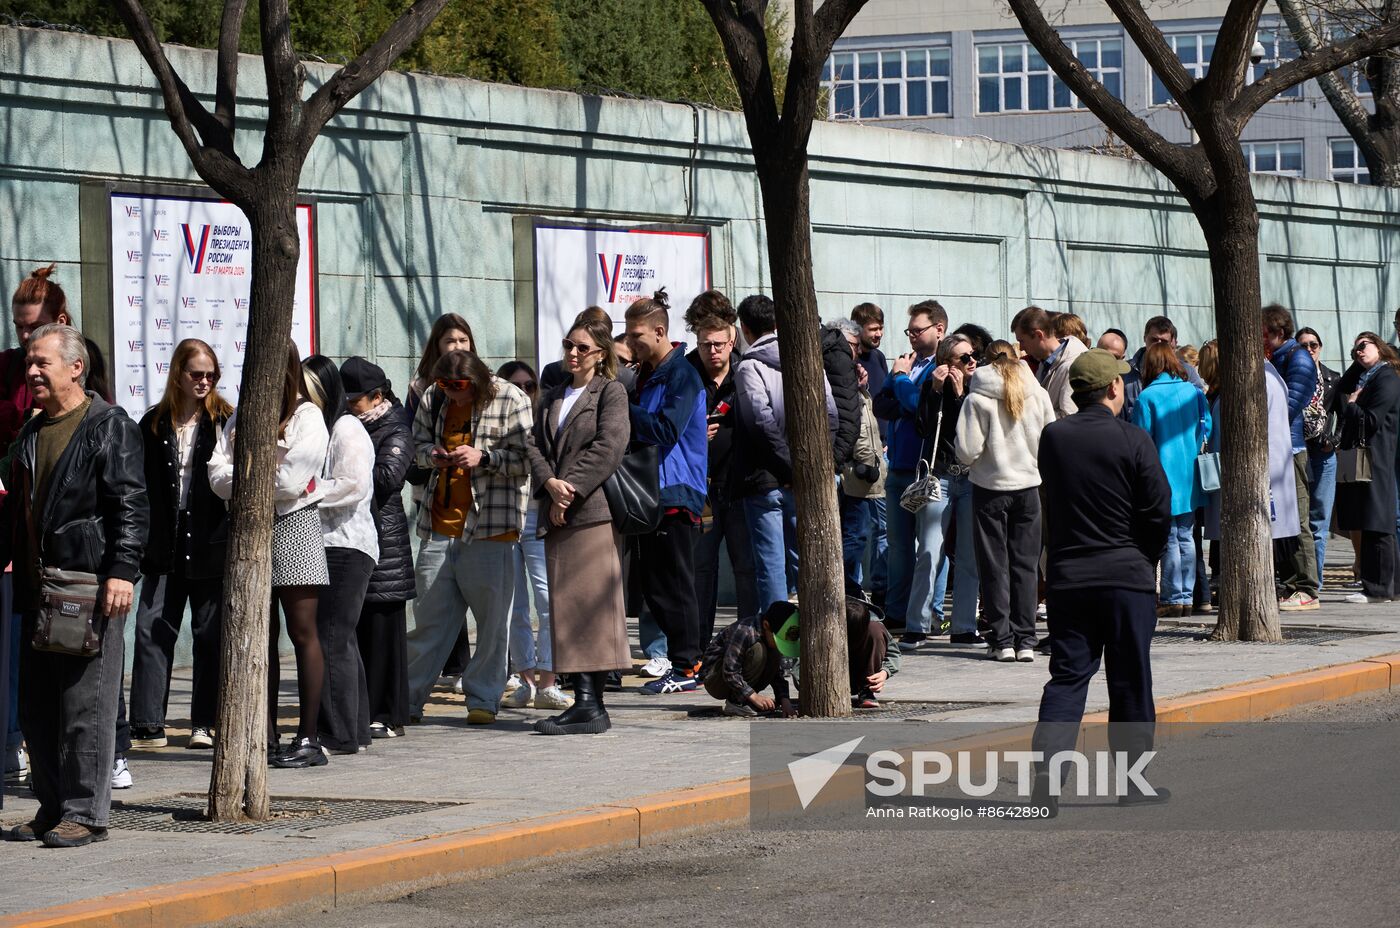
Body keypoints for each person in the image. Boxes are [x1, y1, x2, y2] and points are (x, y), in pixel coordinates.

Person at [0, 324, 146, 847]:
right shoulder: (32, 432)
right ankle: (51, 806)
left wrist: (122, 573)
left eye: (42, 362)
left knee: (86, 705)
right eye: (28, 362)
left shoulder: (109, 425)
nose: (31, 371)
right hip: (37, 588)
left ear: (75, 367)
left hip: (90, 586)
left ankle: (85, 814)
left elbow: (130, 505)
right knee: (37, 707)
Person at [1031, 349, 1173, 815]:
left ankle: (1047, 787)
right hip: (1125, 575)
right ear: (1114, 388)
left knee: (1068, 679)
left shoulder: (1054, 437)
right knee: (1130, 680)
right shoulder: (1133, 438)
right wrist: (1143, 557)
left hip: (1070, 576)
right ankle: (1133, 784)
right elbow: (1157, 508)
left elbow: (1052, 502)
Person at [208, 341, 331, 768]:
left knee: (302, 632)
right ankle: (265, 733)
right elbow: (215, 473)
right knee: (259, 634)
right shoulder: (242, 413)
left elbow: (293, 480)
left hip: (295, 526)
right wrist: (260, 470)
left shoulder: (307, 415)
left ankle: (309, 738)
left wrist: (246, 474)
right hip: (250, 528)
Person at [405, 350, 531, 724]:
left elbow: (527, 458)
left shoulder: (511, 398)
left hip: (493, 528)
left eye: (460, 387)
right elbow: (417, 446)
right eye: (446, 385)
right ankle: (407, 699)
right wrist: (434, 456)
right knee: (428, 620)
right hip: (440, 525)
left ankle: (483, 698)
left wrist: (485, 458)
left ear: (477, 381)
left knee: (492, 624)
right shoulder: (434, 397)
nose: (453, 394)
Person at [527, 317, 630, 734]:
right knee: (567, 609)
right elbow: (532, 445)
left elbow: (610, 446)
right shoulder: (551, 395)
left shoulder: (611, 392)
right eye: (569, 345)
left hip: (590, 513)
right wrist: (548, 484)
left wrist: (567, 490)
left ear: (601, 354)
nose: (572, 353)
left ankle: (591, 703)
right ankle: (587, 703)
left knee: (591, 609)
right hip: (557, 513)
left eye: (582, 347)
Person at [129, 339, 232, 751]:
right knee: (151, 630)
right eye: (196, 374)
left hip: (210, 542)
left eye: (211, 374)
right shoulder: (153, 423)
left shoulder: (225, 419)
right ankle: (147, 725)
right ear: (178, 374)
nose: (205, 381)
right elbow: (138, 485)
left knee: (210, 634)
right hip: (163, 544)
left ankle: (204, 723)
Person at [2, 265, 80, 784]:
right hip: (9, 524)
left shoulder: (78, 370)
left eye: (34, 327)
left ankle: (90, 754)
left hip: (60, 531)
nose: (25, 339)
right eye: (18, 328)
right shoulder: (5, 370)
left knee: (69, 647)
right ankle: (16, 741)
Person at [732, 295, 837, 626]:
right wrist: (810, 468)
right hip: (804, 478)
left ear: (745, 329)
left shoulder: (748, 366)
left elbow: (758, 421)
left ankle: (780, 642)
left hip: (767, 481)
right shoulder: (807, 360)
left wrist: (788, 468)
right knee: (804, 561)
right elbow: (830, 416)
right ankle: (812, 631)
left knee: (771, 567)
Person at [625, 290, 709, 695]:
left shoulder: (683, 374)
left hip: (677, 492)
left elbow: (664, 430)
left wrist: (622, 405)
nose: (630, 343)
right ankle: (681, 663)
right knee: (653, 588)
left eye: (637, 335)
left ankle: (688, 665)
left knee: (675, 585)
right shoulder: (645, 374)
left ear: (660, 332)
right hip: (649, 494)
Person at [954, 352, 1055, 662]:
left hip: (990, 488)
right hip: (1028, 488)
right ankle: (1026, 639)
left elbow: (967, 450)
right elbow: (1050, 438)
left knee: (994, 565)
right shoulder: (1037, 393)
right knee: (1026, 566)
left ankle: (1002, 640)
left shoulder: (977, 398)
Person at [302, 355, 378, 756]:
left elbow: (353, 484)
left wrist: (305, 491)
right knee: (340, 639)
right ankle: (355, 730)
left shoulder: (346, 427)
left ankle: (339, 733)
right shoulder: (319, 428)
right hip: (328, 543)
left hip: (346, 545)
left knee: (330, 637)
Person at [340, 357, 416, 740]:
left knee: (385, 631)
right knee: (361, 628)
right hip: (356, 537)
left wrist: (350, 465)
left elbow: (387, 478)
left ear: (378, 396)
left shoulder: (396, 428)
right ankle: (365, 708)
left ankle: (389, 713)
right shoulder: (346, 425)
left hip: (385, 542)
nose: (351, 406)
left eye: (357, 400)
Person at [873, 300, 948, 640]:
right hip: (899, 466)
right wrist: (902, 385)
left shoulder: (942, 366)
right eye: (910, 331)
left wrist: (901, 380)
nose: (913, 337)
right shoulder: (910, 364)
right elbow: (883, 402)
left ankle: (931, 610)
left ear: (939, 330)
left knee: (930, 544)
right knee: (898, 547)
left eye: (919, 330)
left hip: (926, 469)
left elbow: (922, 406)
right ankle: (897, 610)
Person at [497, 359, 569, 711]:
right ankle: (525, 680)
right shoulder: (494, 422)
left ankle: (549, 681)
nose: (525, 392)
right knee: (513, 604)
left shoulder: (543, 418)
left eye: (530, 385)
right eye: (517, 386)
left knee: (548, 597)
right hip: (505, 516)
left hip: (537, 514)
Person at [686, 303, 758, 645]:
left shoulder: (745, 373)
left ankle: (748, 640)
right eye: (704, 345)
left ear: (732, 343)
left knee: (746, 567)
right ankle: (698, 644)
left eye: (718, 344)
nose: (711, 351)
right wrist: (693, 432)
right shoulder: (686, 375)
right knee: (701, 568)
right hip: (699, 488)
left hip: (740, 484)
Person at [1130, 344, 1211, 618]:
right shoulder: (1193, 392)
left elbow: (1141, 438)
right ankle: (1186, 596)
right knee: (1187, 536)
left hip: (1159, 475)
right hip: (1189, 474)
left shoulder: (1147, 397)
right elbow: (1206, 426)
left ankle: (1172, 596)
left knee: (1168, 538)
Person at [913, 333, 983, 647]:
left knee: (969, 554)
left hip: (971, 478)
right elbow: (924, 428)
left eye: (973, 355)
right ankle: (919, 623)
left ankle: (964, 626)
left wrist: (958, 396)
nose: (972, 361)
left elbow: (971, 433)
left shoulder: (979, 389)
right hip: (939, 476)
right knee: (929, 550)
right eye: (964, 358)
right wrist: (937, 390)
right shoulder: (934, 387)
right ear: (947, 363)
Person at [1263, 305, 1321, 611]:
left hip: (1291, 449)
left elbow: (1290, 403)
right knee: (1281, 519)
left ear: (1277, 332)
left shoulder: (1296, 357)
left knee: (1297, 518)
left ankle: (1307, 587)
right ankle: (1290, 583)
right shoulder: (1279, 358)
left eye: (1263, 332)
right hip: (1279, 448)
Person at [1335, 333, 1400, 603]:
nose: (1358, 352)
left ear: (1380, 347)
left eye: (1364, 346)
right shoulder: (1367, 377)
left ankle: (1379, 588)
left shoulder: (1386, 378)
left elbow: (1372, 419)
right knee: (1370, 518)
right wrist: (1358, 361)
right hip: (1370, 455)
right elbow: (1340, 387)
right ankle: (1386, 588)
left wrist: (1351, 407)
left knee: (1378, 520)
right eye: (1354, 350)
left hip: (1379, 456)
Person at [836, 319, 888, 593]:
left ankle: (852, 591)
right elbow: (850, 425)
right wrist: (864, 462)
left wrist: (862, 388)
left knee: (862, 534)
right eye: (853, 346)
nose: (856, 352)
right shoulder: (836, 373)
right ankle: (848, 592)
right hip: (852, 469)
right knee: (855, 536)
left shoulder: (855, 373)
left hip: (864, 466)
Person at [1296, 327, 1342, 587]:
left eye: (1313, 344)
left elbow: (1345, 417)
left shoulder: (1332, 379)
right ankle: (1301, 578)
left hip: (1323, 455)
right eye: (1303, 345)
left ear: (1320, 347)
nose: (1309, 349)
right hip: (1298, 452)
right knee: (1299, 520)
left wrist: (1333, 441)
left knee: (1319, 522)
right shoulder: (1290, 377)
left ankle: (1316, 582)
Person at [699, 601, 796, 718]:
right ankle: (736, 703)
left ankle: (743, 699)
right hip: (716, 680)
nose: (778, 645)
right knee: (758, 650)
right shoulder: (745, 632)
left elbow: (776, 674)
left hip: (734, 681)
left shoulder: (769, 639)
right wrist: (754, 696)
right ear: (766, 625)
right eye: (778, 640)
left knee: (774, 652)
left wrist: (784, 700)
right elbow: (730, 672)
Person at [1014, 305, 1090, 420]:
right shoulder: (1044, 362)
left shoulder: (1072, 365)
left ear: (1039, 335)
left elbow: (1068, 417)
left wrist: (1029, 417)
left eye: (1022, 341)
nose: (1021, 348)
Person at [1122, 317, 1205, 421]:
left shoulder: (1186, 372)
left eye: (1164, 342)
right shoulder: (1126, 371)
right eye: (1154, 340)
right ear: (1145, 338)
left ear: (1172, 343)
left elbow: (1200, 409)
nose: (1158, 345)